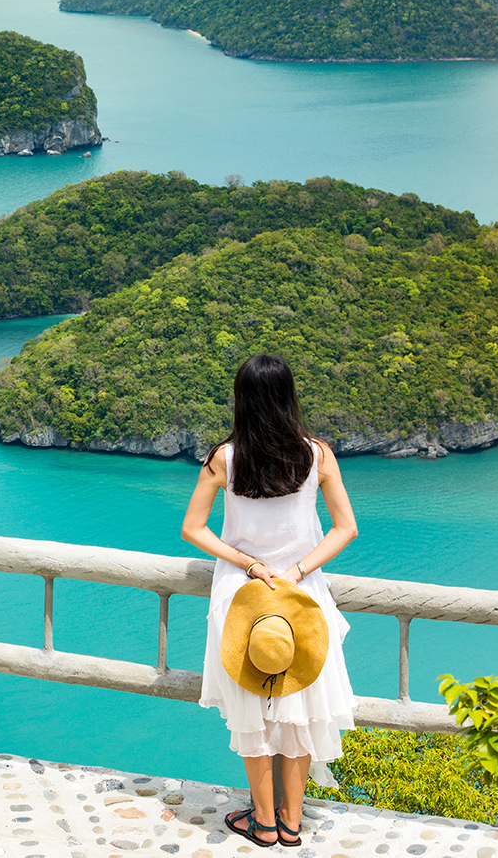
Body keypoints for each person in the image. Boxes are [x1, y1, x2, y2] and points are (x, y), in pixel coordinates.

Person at [180, 353, 358, 848]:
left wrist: (249, 563)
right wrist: (297, 570)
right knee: (298, 708)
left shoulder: (224, 458)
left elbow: (192, 529)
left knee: (251, 711)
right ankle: (292, 822)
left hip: (242, 597)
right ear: (288, 397)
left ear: (242, 400)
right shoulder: (317, 454)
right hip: (301, 598)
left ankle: (261, 821)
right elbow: (347, 528)